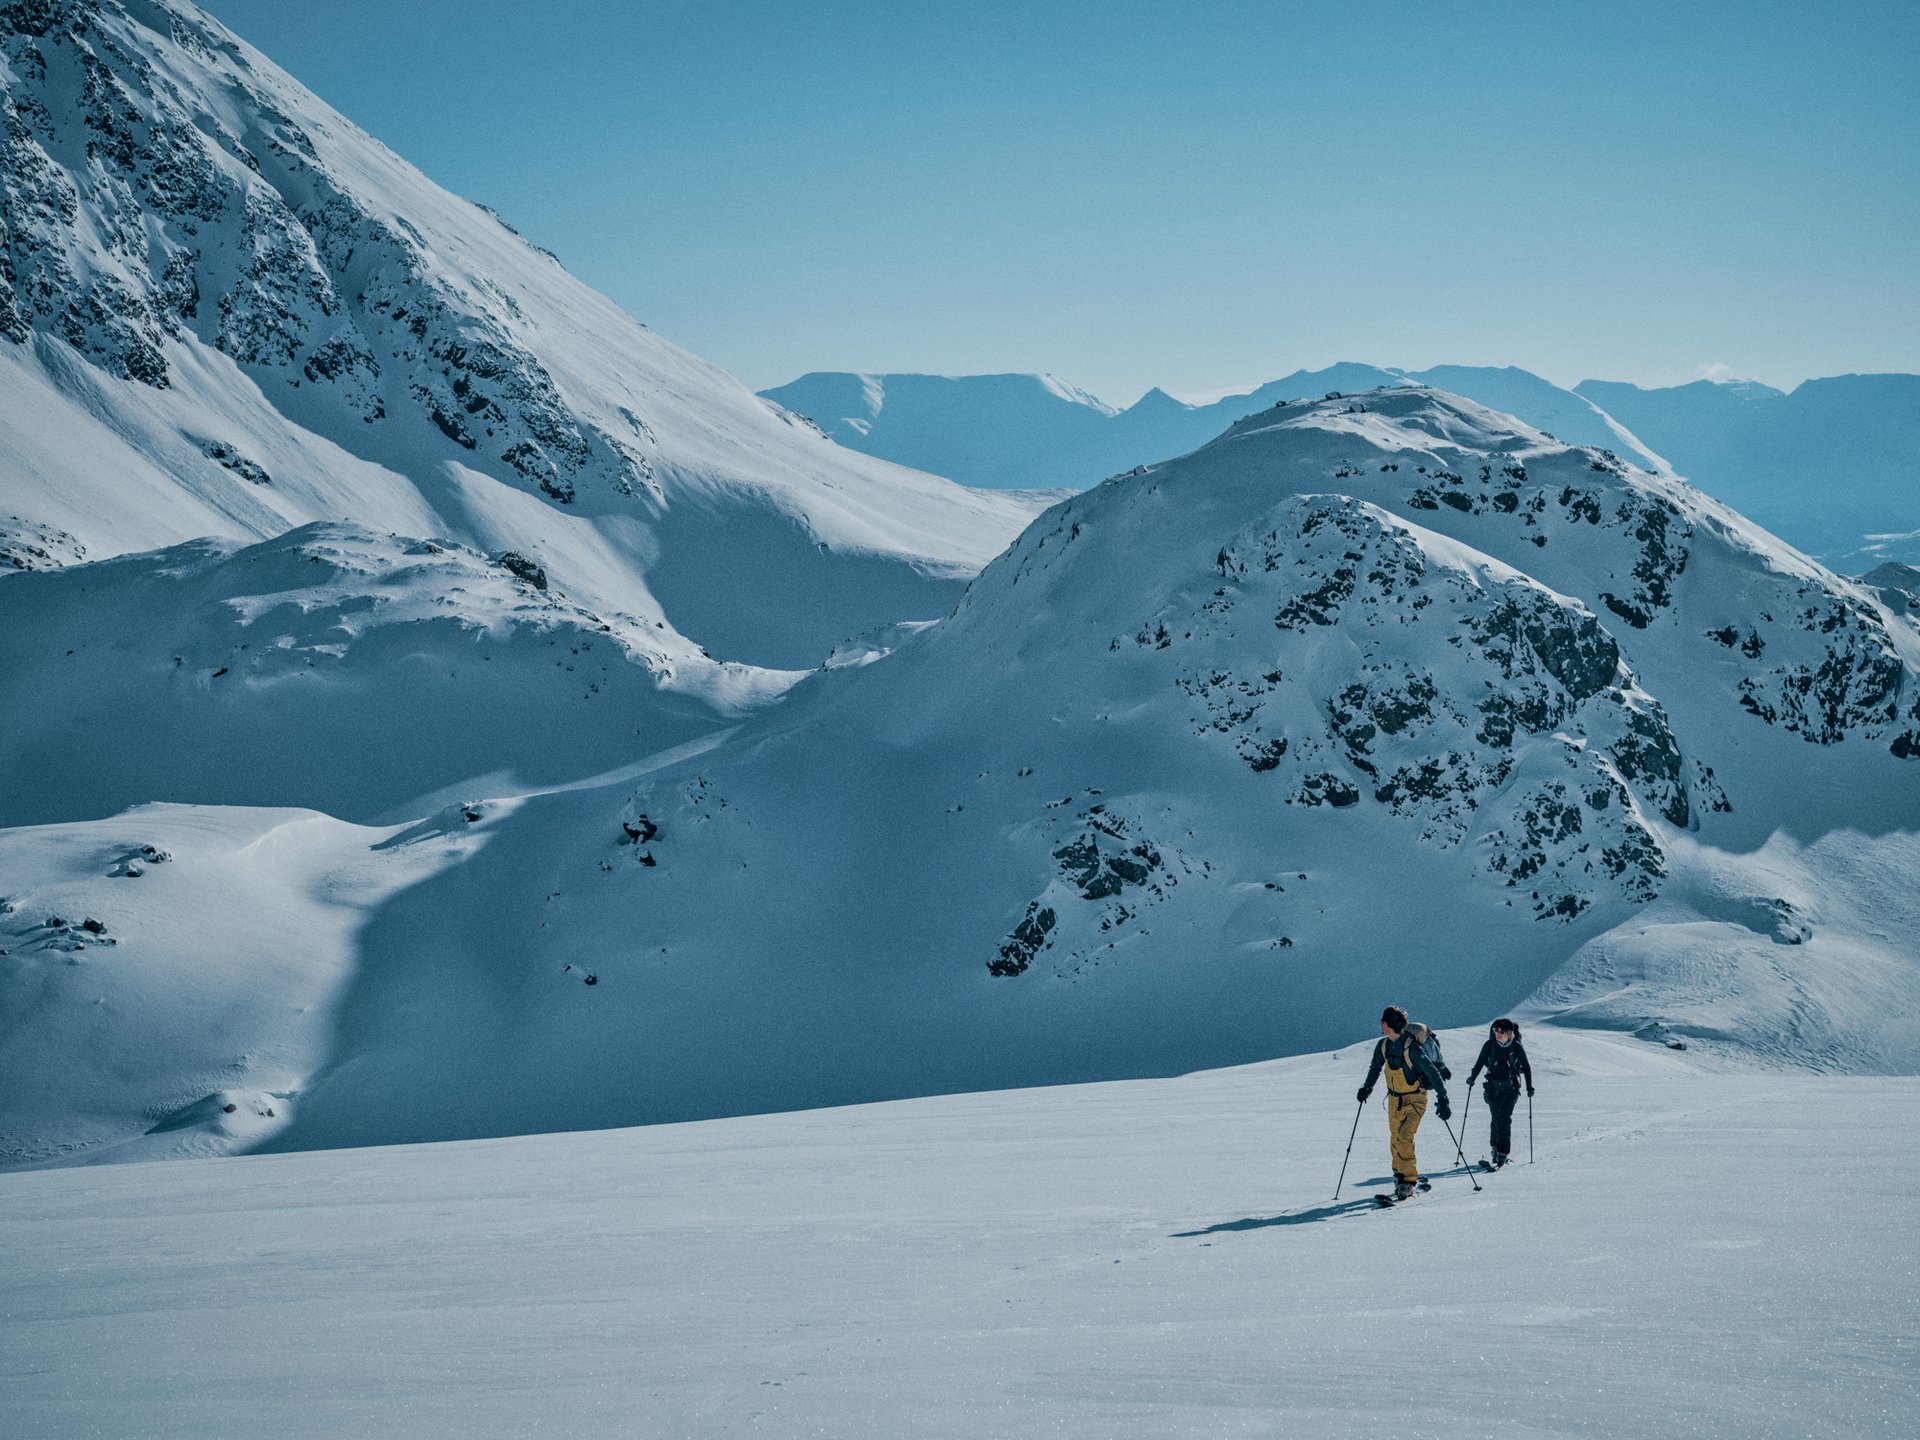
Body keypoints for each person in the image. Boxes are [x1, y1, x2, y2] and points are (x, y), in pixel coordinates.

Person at [1355, 1005, 1450, 1201]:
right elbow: (1375, 1068)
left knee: (1405, 1137)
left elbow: (1432, 1072)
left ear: (1389, 1024)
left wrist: (1443, 1098)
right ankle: (1399, 1176)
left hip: (1415, 1100)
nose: (1380, 1024)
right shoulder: (1383, 1046)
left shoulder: (1412, 1048)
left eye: (1382, 1022)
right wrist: (1367, 1088)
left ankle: (1409, 1181)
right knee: (1395, 1139)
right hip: (1394, 1100)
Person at [1464, 1017, 1534, 1169]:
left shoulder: (1516, 1047)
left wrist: (1529, 1087)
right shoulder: (1489, 1045)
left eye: (1501, 1031)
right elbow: (1479, 1063)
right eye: (1496, 1030)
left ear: (1509, 1033)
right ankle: (1495, 1149)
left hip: (1511, 1089)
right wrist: (1472, 1078)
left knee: (1503, 1118)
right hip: (1493, 1088)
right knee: (1495, 1117)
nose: (1498, 1034)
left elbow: (1527, 1067)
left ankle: (1503, 1152)